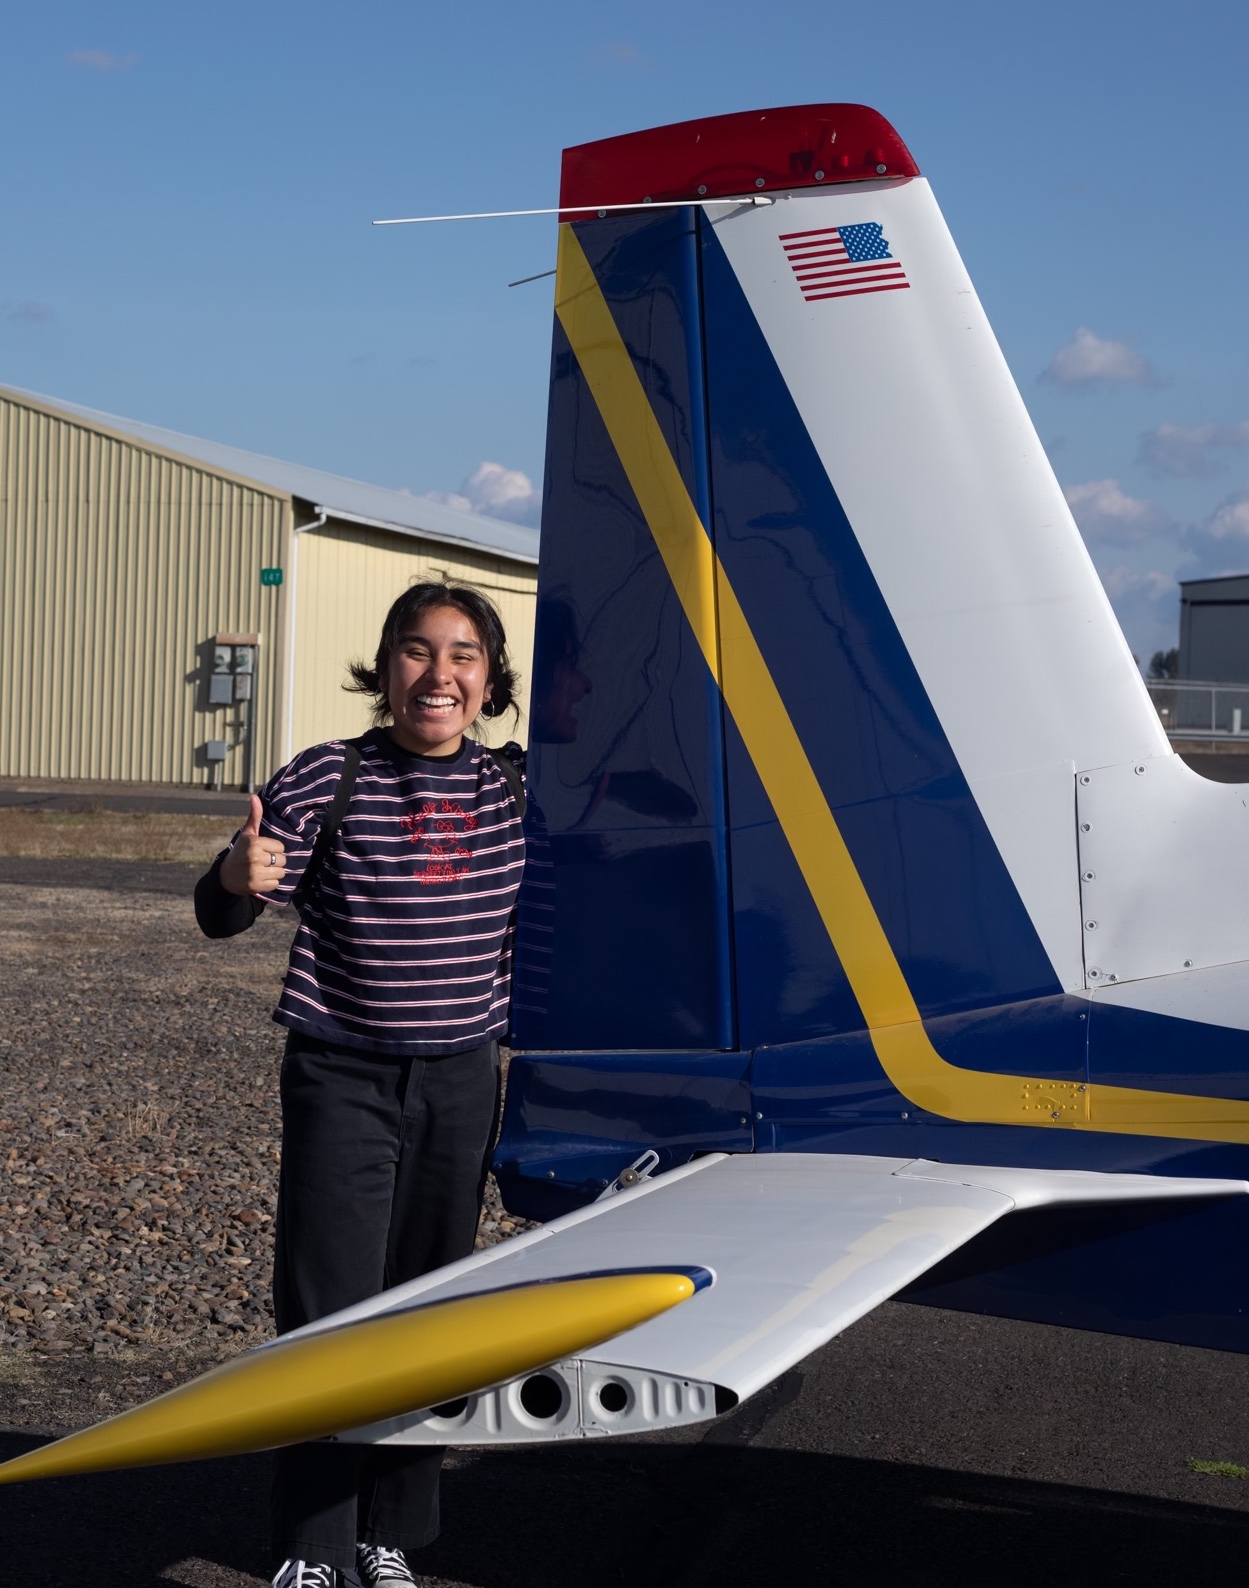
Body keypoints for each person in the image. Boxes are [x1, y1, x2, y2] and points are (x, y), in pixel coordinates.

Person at [194, 581, 526, 1588]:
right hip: (343, 1077)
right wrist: (234, 873)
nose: (439, 674)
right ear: (385, 668)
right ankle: (311, 1544)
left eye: (463, 655)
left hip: (464, 1080)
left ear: (489, 678)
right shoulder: (327, 779)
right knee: (330, 1309)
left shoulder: (517, 792)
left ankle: (389, 1534)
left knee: (430, 1313)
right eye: (417, 652)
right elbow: (224, 913)